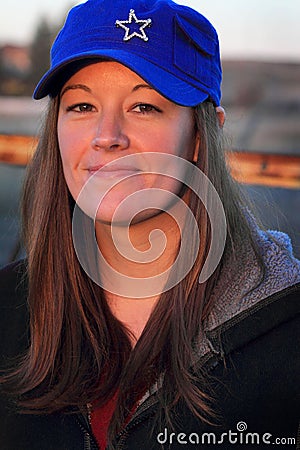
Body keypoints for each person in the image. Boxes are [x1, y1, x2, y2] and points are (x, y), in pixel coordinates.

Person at [0, 0, 299, 449]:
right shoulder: (9, 307)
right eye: (81, 105)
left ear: (201, 136)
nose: (106, 135)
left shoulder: (285, 329)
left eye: (144, 106)